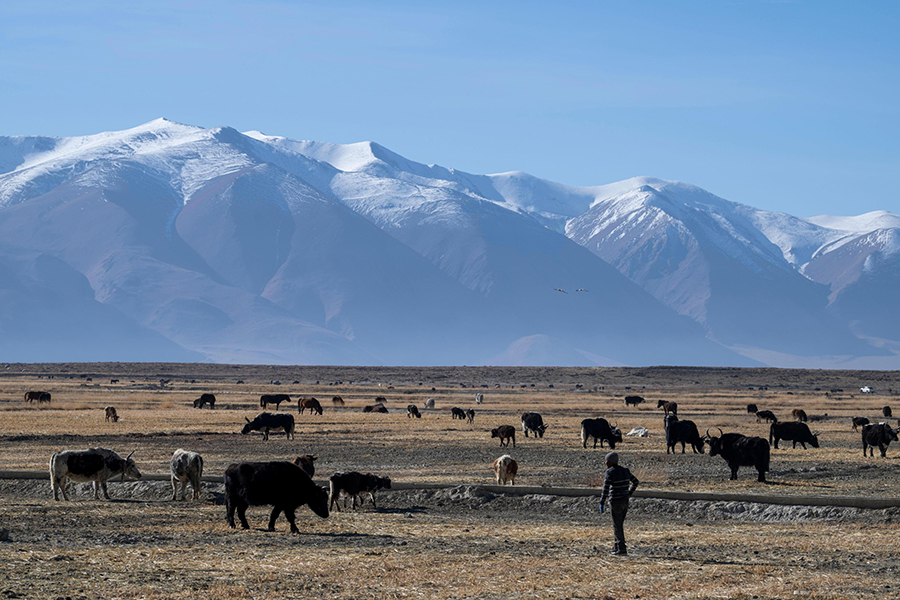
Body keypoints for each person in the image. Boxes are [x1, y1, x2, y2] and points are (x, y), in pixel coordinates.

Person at [598, 451, 639, 556]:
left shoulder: (610, 472)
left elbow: (606, 488)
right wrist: (629, 493)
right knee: (619, 524)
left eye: (606, 461)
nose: (605, 463)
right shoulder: (625, 470)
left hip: (615, 501)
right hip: (625, 501)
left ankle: (622, 549)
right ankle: (616, 546)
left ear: (610, 462)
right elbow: (636, 481)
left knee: (617, 526)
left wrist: (602, 501)